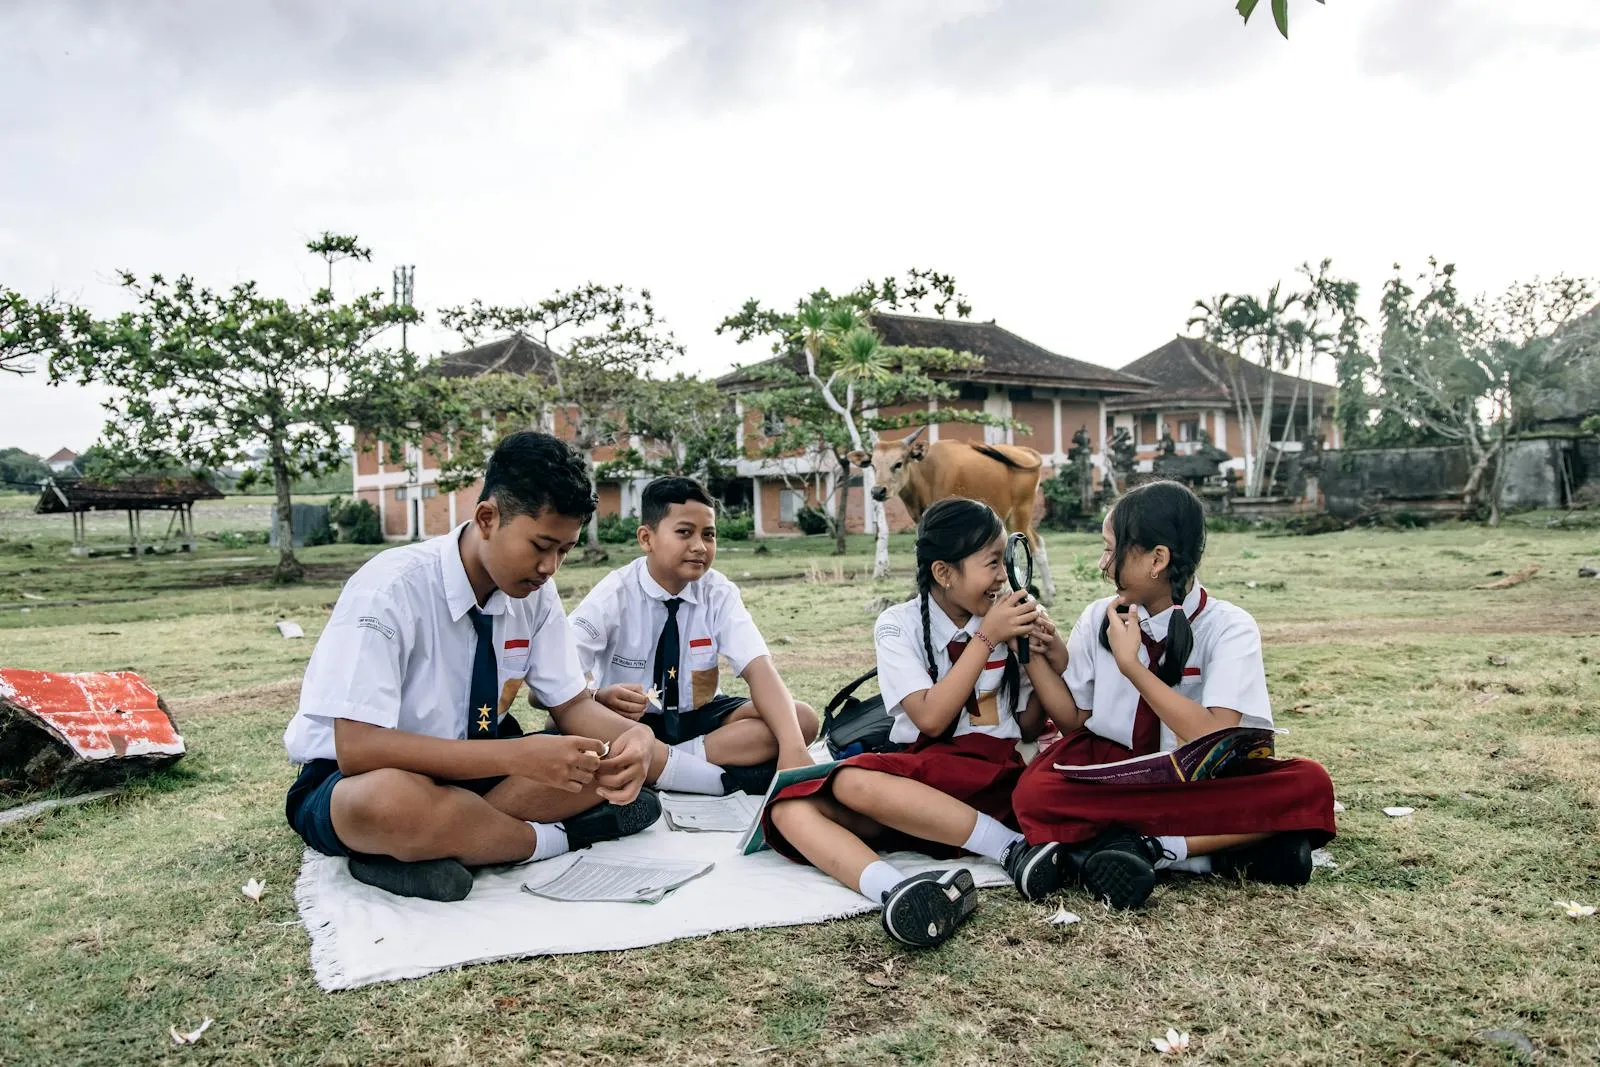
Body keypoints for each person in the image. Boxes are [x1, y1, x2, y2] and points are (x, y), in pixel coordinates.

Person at [282, 432, 660, 902]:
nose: (550, 568)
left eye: (564, 550)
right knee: (389, 804)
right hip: (361, 775)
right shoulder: (389, 587)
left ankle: (439, 843)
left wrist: (635, 739)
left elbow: (573, 705)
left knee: (598, 767)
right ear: (487, 518)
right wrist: (516, 757)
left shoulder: (535, 595)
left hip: (482, 763)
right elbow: (358, 748)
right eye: (541, 545)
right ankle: (555, 839)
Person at [760, 498, 1078, 948]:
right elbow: (929, 719)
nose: (1003, 577)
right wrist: (988, 638)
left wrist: (1042, 650)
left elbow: (1029, 725)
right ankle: (898, 892)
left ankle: (1012, 850)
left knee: (851, 782)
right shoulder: (898, 624)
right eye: (991, 563)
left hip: (990, 777)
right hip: (921, 790)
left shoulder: (1008, 621)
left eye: (1005, 561)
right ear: (944, 573)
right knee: (789, 809)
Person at [1007, 480, 1337, 910]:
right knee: (1033, 794)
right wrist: (1031, 653)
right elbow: (1072, 720)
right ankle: (1213, 855)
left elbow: (1215, 739)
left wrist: (1133, 668)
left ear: (1157, 559)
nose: (1102, 563)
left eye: (1112, 550)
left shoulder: (1229, 627)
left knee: (1309, 784)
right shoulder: (1097, 617)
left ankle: (1142, 850)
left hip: (1199, 781)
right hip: (1116, 774)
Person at [568, 476, 818, 796]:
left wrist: (795, 749)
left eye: (709, 535)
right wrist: (597, 696)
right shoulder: (614, 594)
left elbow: (759, 668)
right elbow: (559, 679)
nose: (700, 546)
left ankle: (666, 765)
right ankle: (691, 770)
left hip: (701, 720)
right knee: (568, 729)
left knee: (801, 721)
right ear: (647, 538)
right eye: (684, 532)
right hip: (630, 723)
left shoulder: (718, 591)